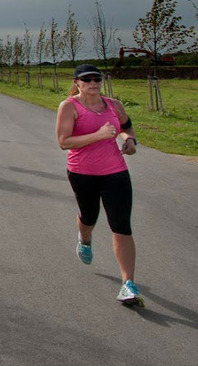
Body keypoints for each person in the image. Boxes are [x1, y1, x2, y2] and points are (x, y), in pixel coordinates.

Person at [54, 63, 142, 306]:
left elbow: (126, 127)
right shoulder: (69, 106)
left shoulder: (114, 105)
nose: (93, 83)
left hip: (115, 172)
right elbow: (64, 142)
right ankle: (84, 239)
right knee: (89, 216)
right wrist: (99, 136)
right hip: (82, 173)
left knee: (121, 225)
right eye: (87, 79)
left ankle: (128, 284)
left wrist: (131, 140)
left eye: (97, 79)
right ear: (77, 83)